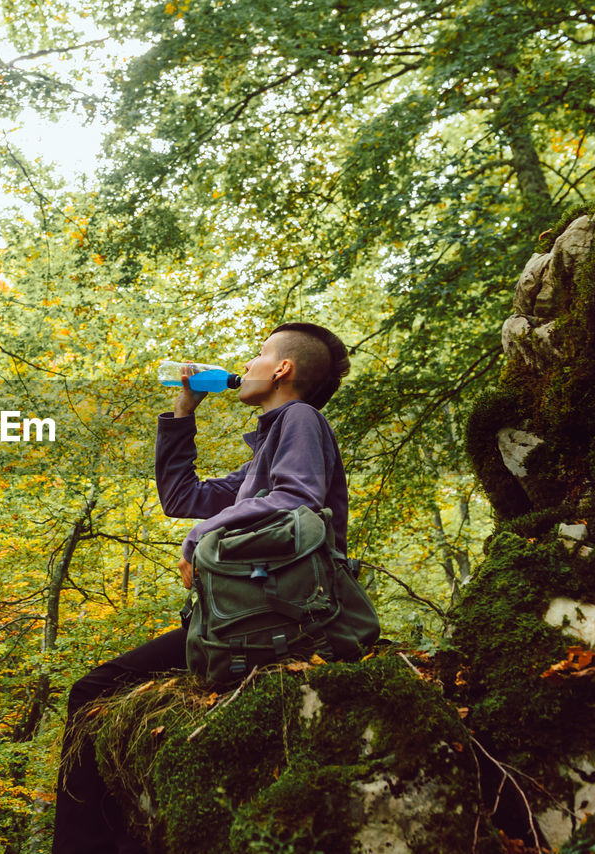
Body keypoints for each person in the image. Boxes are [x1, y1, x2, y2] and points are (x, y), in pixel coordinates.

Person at [51, 322, 354, 854]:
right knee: (98, 692)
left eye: (260, 354)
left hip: (285, 614)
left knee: (92, 689)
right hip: (240, 616)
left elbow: (298, 498)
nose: (250, 364)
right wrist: (183, 411)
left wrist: (202, 535)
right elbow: (181, 496)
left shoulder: (301, 419)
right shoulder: (266, 450)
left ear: (283, 368)